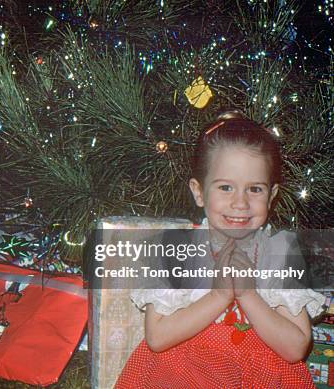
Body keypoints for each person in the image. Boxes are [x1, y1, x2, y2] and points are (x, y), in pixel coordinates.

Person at [115, 110, 325, 388]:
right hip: (185, 374)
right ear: (199, 191)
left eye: (255, 189)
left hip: (259, 376)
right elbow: (157, 338)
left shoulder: (279, 252)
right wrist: (219, 296)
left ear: (272, 195)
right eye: (226, 187)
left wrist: (249, 295)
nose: (240, 203)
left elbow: (296, 348)